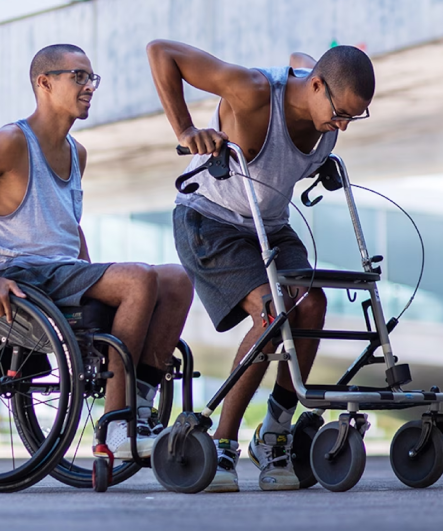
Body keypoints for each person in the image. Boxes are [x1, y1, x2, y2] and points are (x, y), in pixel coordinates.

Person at [146, 41, 375, 491]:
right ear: (316, 87)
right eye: (340, 113)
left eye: (354, 117)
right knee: (273, 314)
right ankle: (224, 444)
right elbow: (161, 52)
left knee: (311, 305)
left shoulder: (317, 89)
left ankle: (274, 431)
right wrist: (185, 128)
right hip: (209, 220)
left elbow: (300, 57)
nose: (342, 127)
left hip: (268, 224)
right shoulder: (251, 91)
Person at [0, 44, 193, 462]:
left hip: (64, 273)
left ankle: (139, 404)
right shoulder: (12, 141)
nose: (90, 87)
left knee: (177, 279)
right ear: (45, 83)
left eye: (92, 78)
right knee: (138, 277)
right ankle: (116, 425)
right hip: (24, 274)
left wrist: (94, 273)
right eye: (79, 77)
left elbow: (69, 225)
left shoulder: (77, 152)